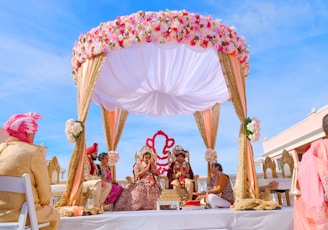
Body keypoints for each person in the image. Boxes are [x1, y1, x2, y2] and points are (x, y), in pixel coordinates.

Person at [0, 112, 60, 229]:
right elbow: (44, 193)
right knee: (54, 215)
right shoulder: (34, 152)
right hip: (24, 215)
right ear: (28, 133)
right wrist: (45, 203)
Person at [294, 114, 328, 229]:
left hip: (320, 208)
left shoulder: (312, 152)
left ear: (323, 130)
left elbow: (303, 182)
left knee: (300, 206)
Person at [114, 146, 161, 211]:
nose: (147, 159)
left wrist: (151, 168)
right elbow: (137, 176)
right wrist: (146, 169)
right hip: (141, 180)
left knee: (154, 187)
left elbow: (157, 173)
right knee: (140, 188)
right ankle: (136, 206)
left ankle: (152, 206)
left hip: (151, 180)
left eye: (149, 158)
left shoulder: (152, 164)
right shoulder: (137, 164)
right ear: (142, 157)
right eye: (146, 157)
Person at [82, 143, 111, 214]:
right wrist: (99, 179)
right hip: (84, 181)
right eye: (95, 153)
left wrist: (100, 179)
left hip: (91, 181)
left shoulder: (93, 163)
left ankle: (97, 206)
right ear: (89, 154)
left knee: (108, 185)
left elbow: (95, 175)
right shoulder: (85, 161)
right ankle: (94, 207)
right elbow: (86, 176)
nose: (96, 155)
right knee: (98, 182)